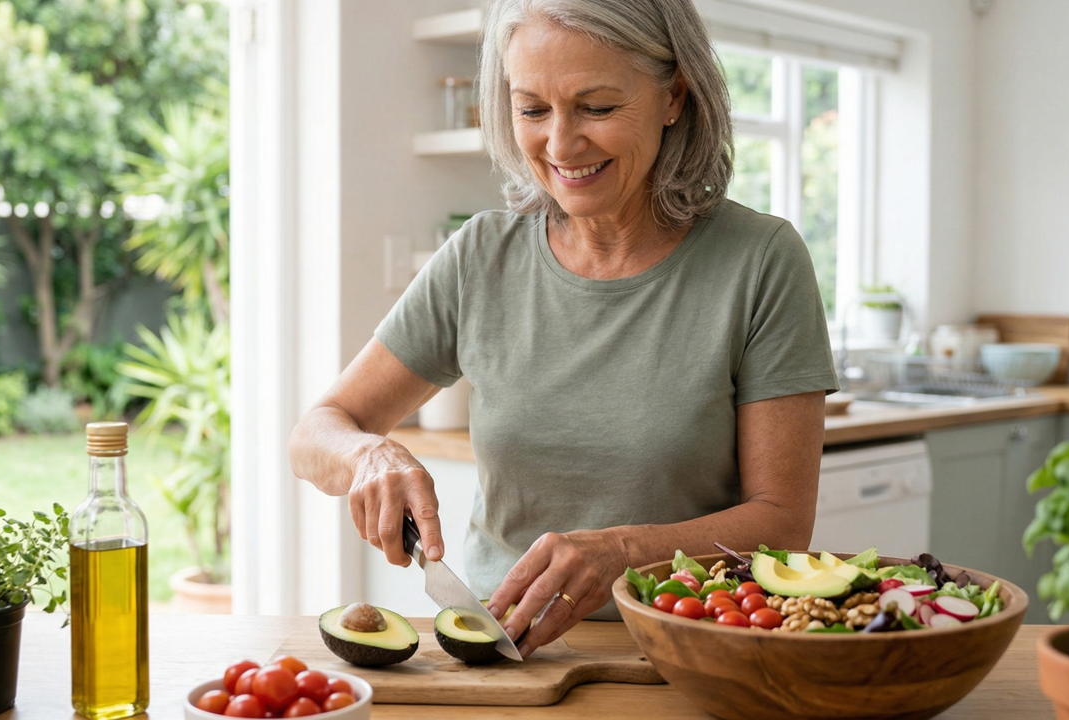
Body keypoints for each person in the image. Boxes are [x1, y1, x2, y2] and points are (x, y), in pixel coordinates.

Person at [289, 0, 837, 658]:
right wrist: (367, 456)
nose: (560, 144)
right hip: (503, 655)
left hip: (690, 655)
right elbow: (316, 432)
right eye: (532, 109)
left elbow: (782, 524)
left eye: (597, 107)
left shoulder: (761, 261)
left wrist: (626, 552)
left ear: (674, 97)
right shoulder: (480, 256)